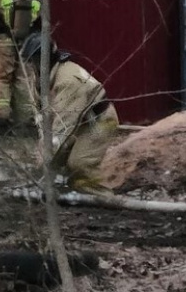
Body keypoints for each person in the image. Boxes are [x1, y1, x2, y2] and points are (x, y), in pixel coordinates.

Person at [19, 33, 119, 194]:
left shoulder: (69, 81)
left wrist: (45, 158)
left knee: (80, 164)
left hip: (99, 121)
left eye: (34, 61)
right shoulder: (40, 78)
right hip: (77, 119)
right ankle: (63, 191)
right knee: (56, 158)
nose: (31, 66)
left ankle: (103, 198)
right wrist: (43, 144)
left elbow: (63, 127)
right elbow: (41, 114)